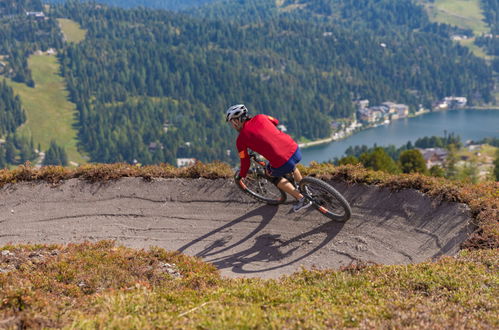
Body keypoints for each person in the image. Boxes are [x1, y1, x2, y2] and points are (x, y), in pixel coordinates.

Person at [226, 104, 312, 212]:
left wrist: (242, 175)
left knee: (271, 175)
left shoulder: (241, 139)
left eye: (232, 122)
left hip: (282, 161)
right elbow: (275, 121)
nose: (232, 125)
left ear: (237, 121)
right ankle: (306, 189)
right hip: (295, 149)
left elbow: (245, 162)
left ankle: (302, 198)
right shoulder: (261, 117)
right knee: (291, 165)